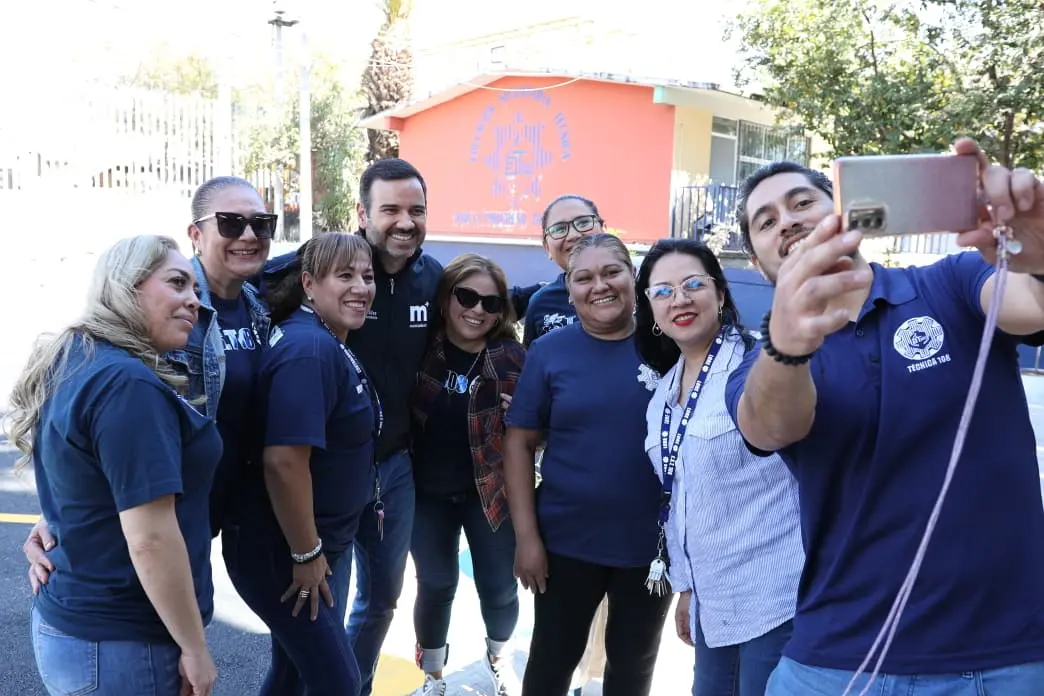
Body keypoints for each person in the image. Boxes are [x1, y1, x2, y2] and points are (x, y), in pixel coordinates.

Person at [725, 139, 1044, 694]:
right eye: (766, 220)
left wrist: (1041, 256)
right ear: (757, 262)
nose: (788, 223)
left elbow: (1029, 306)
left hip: (1003, 658)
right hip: (834, 663)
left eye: (803, 203)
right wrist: (788, 345)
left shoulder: (950, 283)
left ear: (845, 212)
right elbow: (771, 425)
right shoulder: (762, 364)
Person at [22, 175, 273, 587]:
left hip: (241, 505)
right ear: (196, 233)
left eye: (262, 224)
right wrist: (54, 514)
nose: (248, 235)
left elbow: (338, 261)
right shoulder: (166, 307)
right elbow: (103, 423)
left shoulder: (261, 296)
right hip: (171, 514)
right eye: (230, 223)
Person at [6, 235, 220, 696]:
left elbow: (84, 470)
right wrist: (195, 648)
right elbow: (151, 539)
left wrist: (60, 519)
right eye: (178, 283)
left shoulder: (76, 356)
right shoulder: (128, 384)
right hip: (124, 643)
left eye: (197, 291)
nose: (194, 302)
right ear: (127, 287)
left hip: (79, 628)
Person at [504, 233, 671, 696]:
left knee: (633, 668)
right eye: (583, 278)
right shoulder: (551, 351)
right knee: (550, 664)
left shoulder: (669, 344)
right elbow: (518, 442)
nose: (599, 285)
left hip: (651, 548)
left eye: (611, 272)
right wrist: (526, 538)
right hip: (566, 543)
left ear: (632, 277)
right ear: (569, 286)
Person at [634, 238, 803, 696]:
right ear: (649, 308)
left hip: (776, 597)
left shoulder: (759, 366)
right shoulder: (662, 394)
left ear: (721, 293)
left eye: (693, 284)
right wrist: (686, 587)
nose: (680, 299)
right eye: (662, 291)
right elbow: (683, 499)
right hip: (713, 602)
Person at [225, 232, 379, 696]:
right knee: (339, 682)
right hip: (285, 553)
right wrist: (306, 553)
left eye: (367, 277)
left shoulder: (327, 340)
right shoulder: (307, 349)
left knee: (294, 674)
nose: (361, 287)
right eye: (345, 276)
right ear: (309, 284)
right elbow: (283, 463)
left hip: (315, 547)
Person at [409, 253, 526, 696]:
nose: (477, 310)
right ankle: (433, 676)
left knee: (499, 588)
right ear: (446, 298)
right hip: (426, 492)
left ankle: (499, 658)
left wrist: (531, 423)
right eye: (467, 297)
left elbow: (546, 431)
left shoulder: (513, 358)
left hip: (490, 492)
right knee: (436, 583)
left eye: (490, 303)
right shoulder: (422, 346)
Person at [522, 194, 605, 348]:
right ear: (547, 248)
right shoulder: (541, 302)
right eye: (559, 229)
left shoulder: (634, 290)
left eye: (583, 222)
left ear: (603, 229)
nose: (573, 235)